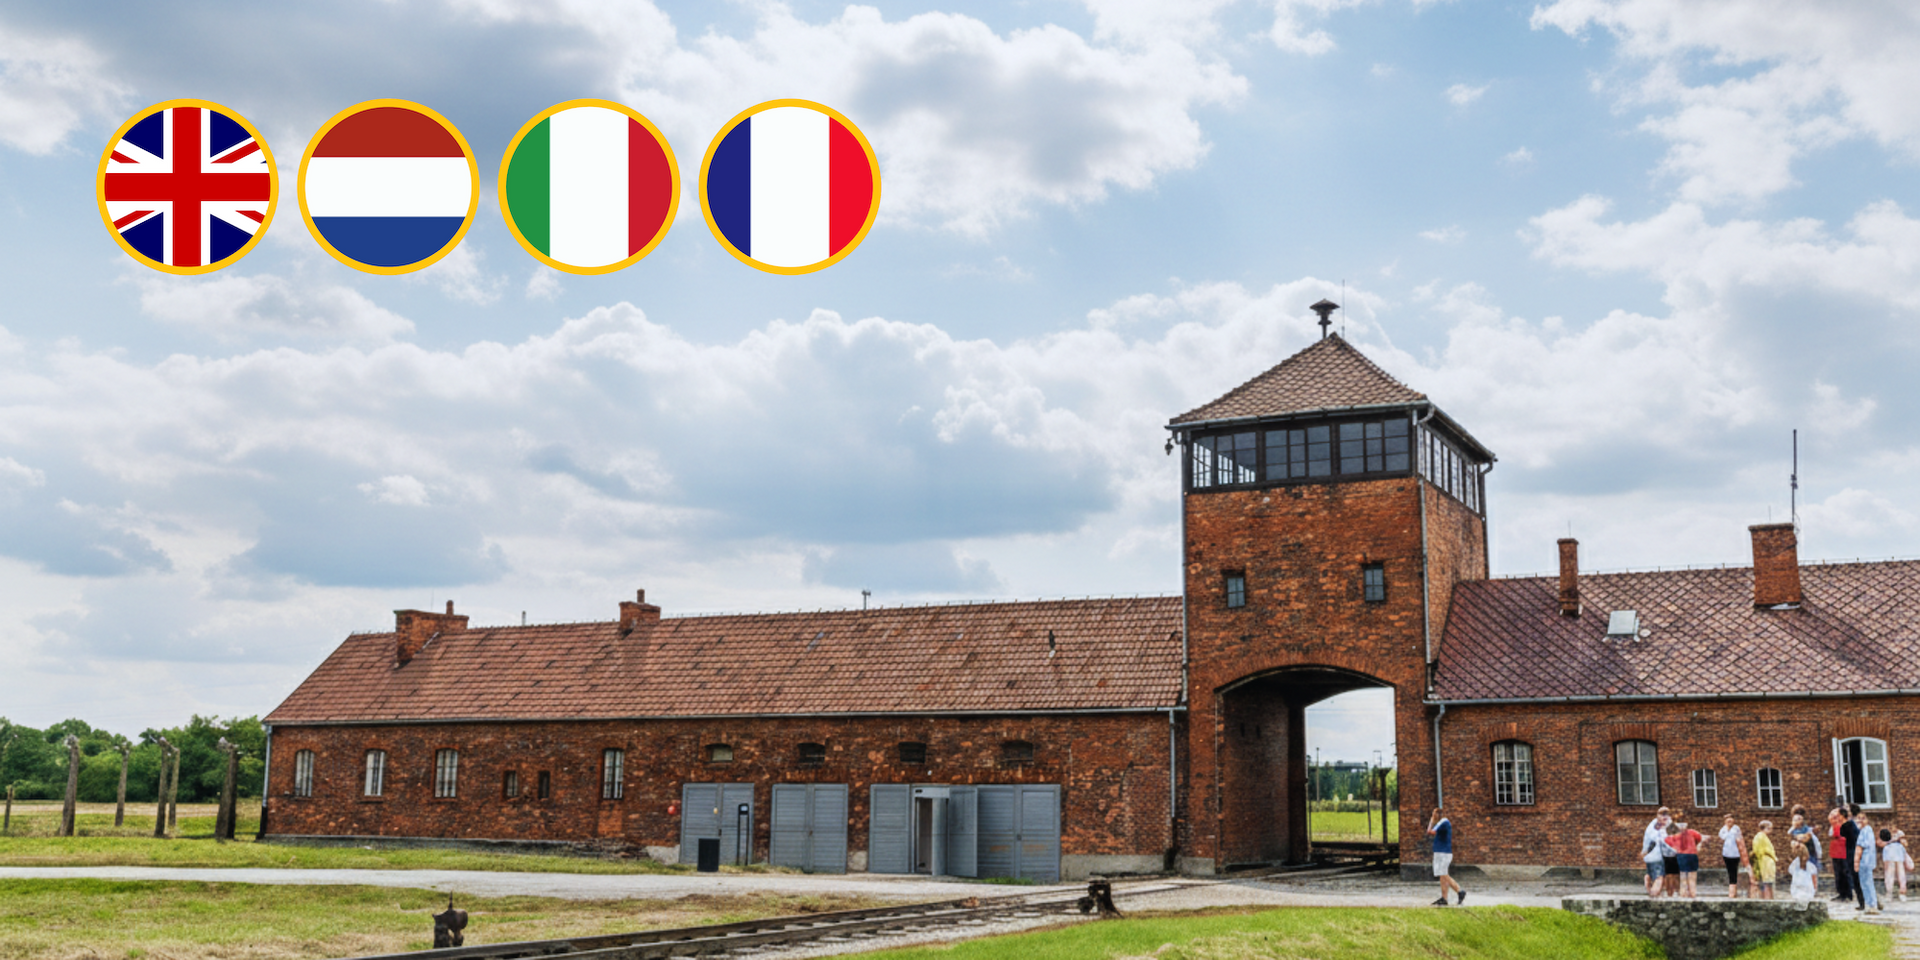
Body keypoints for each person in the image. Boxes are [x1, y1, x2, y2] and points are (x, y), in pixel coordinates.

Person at [1428, 808, 1465, 906]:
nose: (1433, 816)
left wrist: (1431, 822)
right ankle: (1444, 898)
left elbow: (1430, 832)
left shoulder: (1443, 821)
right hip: (1440, 852)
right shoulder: (1442, 823)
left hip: (1443, 853)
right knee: (1442, 875)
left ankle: (1460, 891)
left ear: (1437, 814)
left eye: (1433, 814)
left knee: (1443, 874)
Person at [1667, 820, 1704, 898]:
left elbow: (1667, 842)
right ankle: (1693, 894)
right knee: (1692, 876)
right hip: (1692, 855)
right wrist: (1695, 845)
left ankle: (1683, 893)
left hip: (1681, 856)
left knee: (1683, 876)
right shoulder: (1692, 832)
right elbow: (1699, 838)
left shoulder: (1675, 836)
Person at [1642, 807, 1673, 899]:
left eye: (1666, 814)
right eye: (1663, 814)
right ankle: (1654, 896)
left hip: (1650, 856)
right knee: (1659, 877)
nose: (1665, 817)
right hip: (1658, 856)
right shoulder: (1659, 826)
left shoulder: (1652, 825)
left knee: (1651, 874)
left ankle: (1652, 888)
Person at [1787, 809, 1820, 892]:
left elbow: (1806, 837)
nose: (1796, 821)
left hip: (1809, 851)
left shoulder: (1806, 829)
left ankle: (1814, 887)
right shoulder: (1793, 830)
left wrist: (1798, 839)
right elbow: (1789, 835)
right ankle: (1804, 885)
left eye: (1798, 819)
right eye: (1794, 819)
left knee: (1812, 869)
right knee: (1801, 869)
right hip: (1800, 853)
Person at [1857, 812, 1881, 914]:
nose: (1860, 820)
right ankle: (1871, 904)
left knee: (1867, 883)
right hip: (1865, 860)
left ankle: (1872, 905)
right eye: (1858, 818)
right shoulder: (1863, 831)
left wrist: (1856, 860)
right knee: (1865, 883)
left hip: (1866, 860)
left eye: (1863, 818)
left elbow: (1862, 845)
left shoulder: (1866, 831)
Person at [1829, 808, 1854, 903]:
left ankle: (1848, 893)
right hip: (1836, 851)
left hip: (1843, 851)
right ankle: (1841, 893)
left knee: (1845, 872)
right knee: (1838, 873)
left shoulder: (1845, 825)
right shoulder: (1834, 825)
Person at [1844, 805, 1866, 910]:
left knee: (1858, 879)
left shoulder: (1851, 824)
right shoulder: (1852, 823)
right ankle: (1865, 901)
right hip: (1854, 852)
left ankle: (1864, 902)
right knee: (1859, 879)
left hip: (1854, 853)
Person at [1719, 814, 1745, 898]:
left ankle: (1734, 891)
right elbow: (1722, 837)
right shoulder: (1723, 829)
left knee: (1734, 871)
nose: (1729, 821)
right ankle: (1732, 892)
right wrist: (1727, 829)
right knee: (1731, 872)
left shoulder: (1736, 828)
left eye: (1731, 819)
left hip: (1735, 854)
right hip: (1727, 854)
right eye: (1727, 820)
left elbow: (1740, 839)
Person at [1751, 821, 1777, 900]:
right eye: (1769, 828)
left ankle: (1768, 899)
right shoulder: (1760, 836)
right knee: (1767, 883)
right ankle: (1767, 899)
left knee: (1767, 883)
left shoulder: (1762, 837)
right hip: (1765, 862)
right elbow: (1758, 850)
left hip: (1766, 862)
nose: (1771, 831)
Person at [1885, 829, 1911, 903]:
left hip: (1899, 856)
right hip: (1889, 857)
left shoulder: (1900, 833)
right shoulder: (1885, 832)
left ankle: (1902, 893)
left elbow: (1905, 843)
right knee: (1889, 875)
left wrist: (1900, 839)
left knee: (1901, 875)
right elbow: (1880, 843)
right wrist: (1891, 840)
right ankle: (1889, 893)